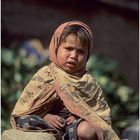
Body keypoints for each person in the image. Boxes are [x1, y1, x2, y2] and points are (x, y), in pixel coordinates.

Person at [11, 21, 120, 140]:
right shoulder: (46, 74)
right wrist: (46, 117)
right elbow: (27, 108)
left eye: (81, 51)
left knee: (86, 131)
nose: (73, 55)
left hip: (73, 128)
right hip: (46, 123)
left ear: (88, 54)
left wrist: (78, 118)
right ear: (56, 47)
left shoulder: (88, 83)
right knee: (24, 120)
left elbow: (99, 116)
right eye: (68, 48)